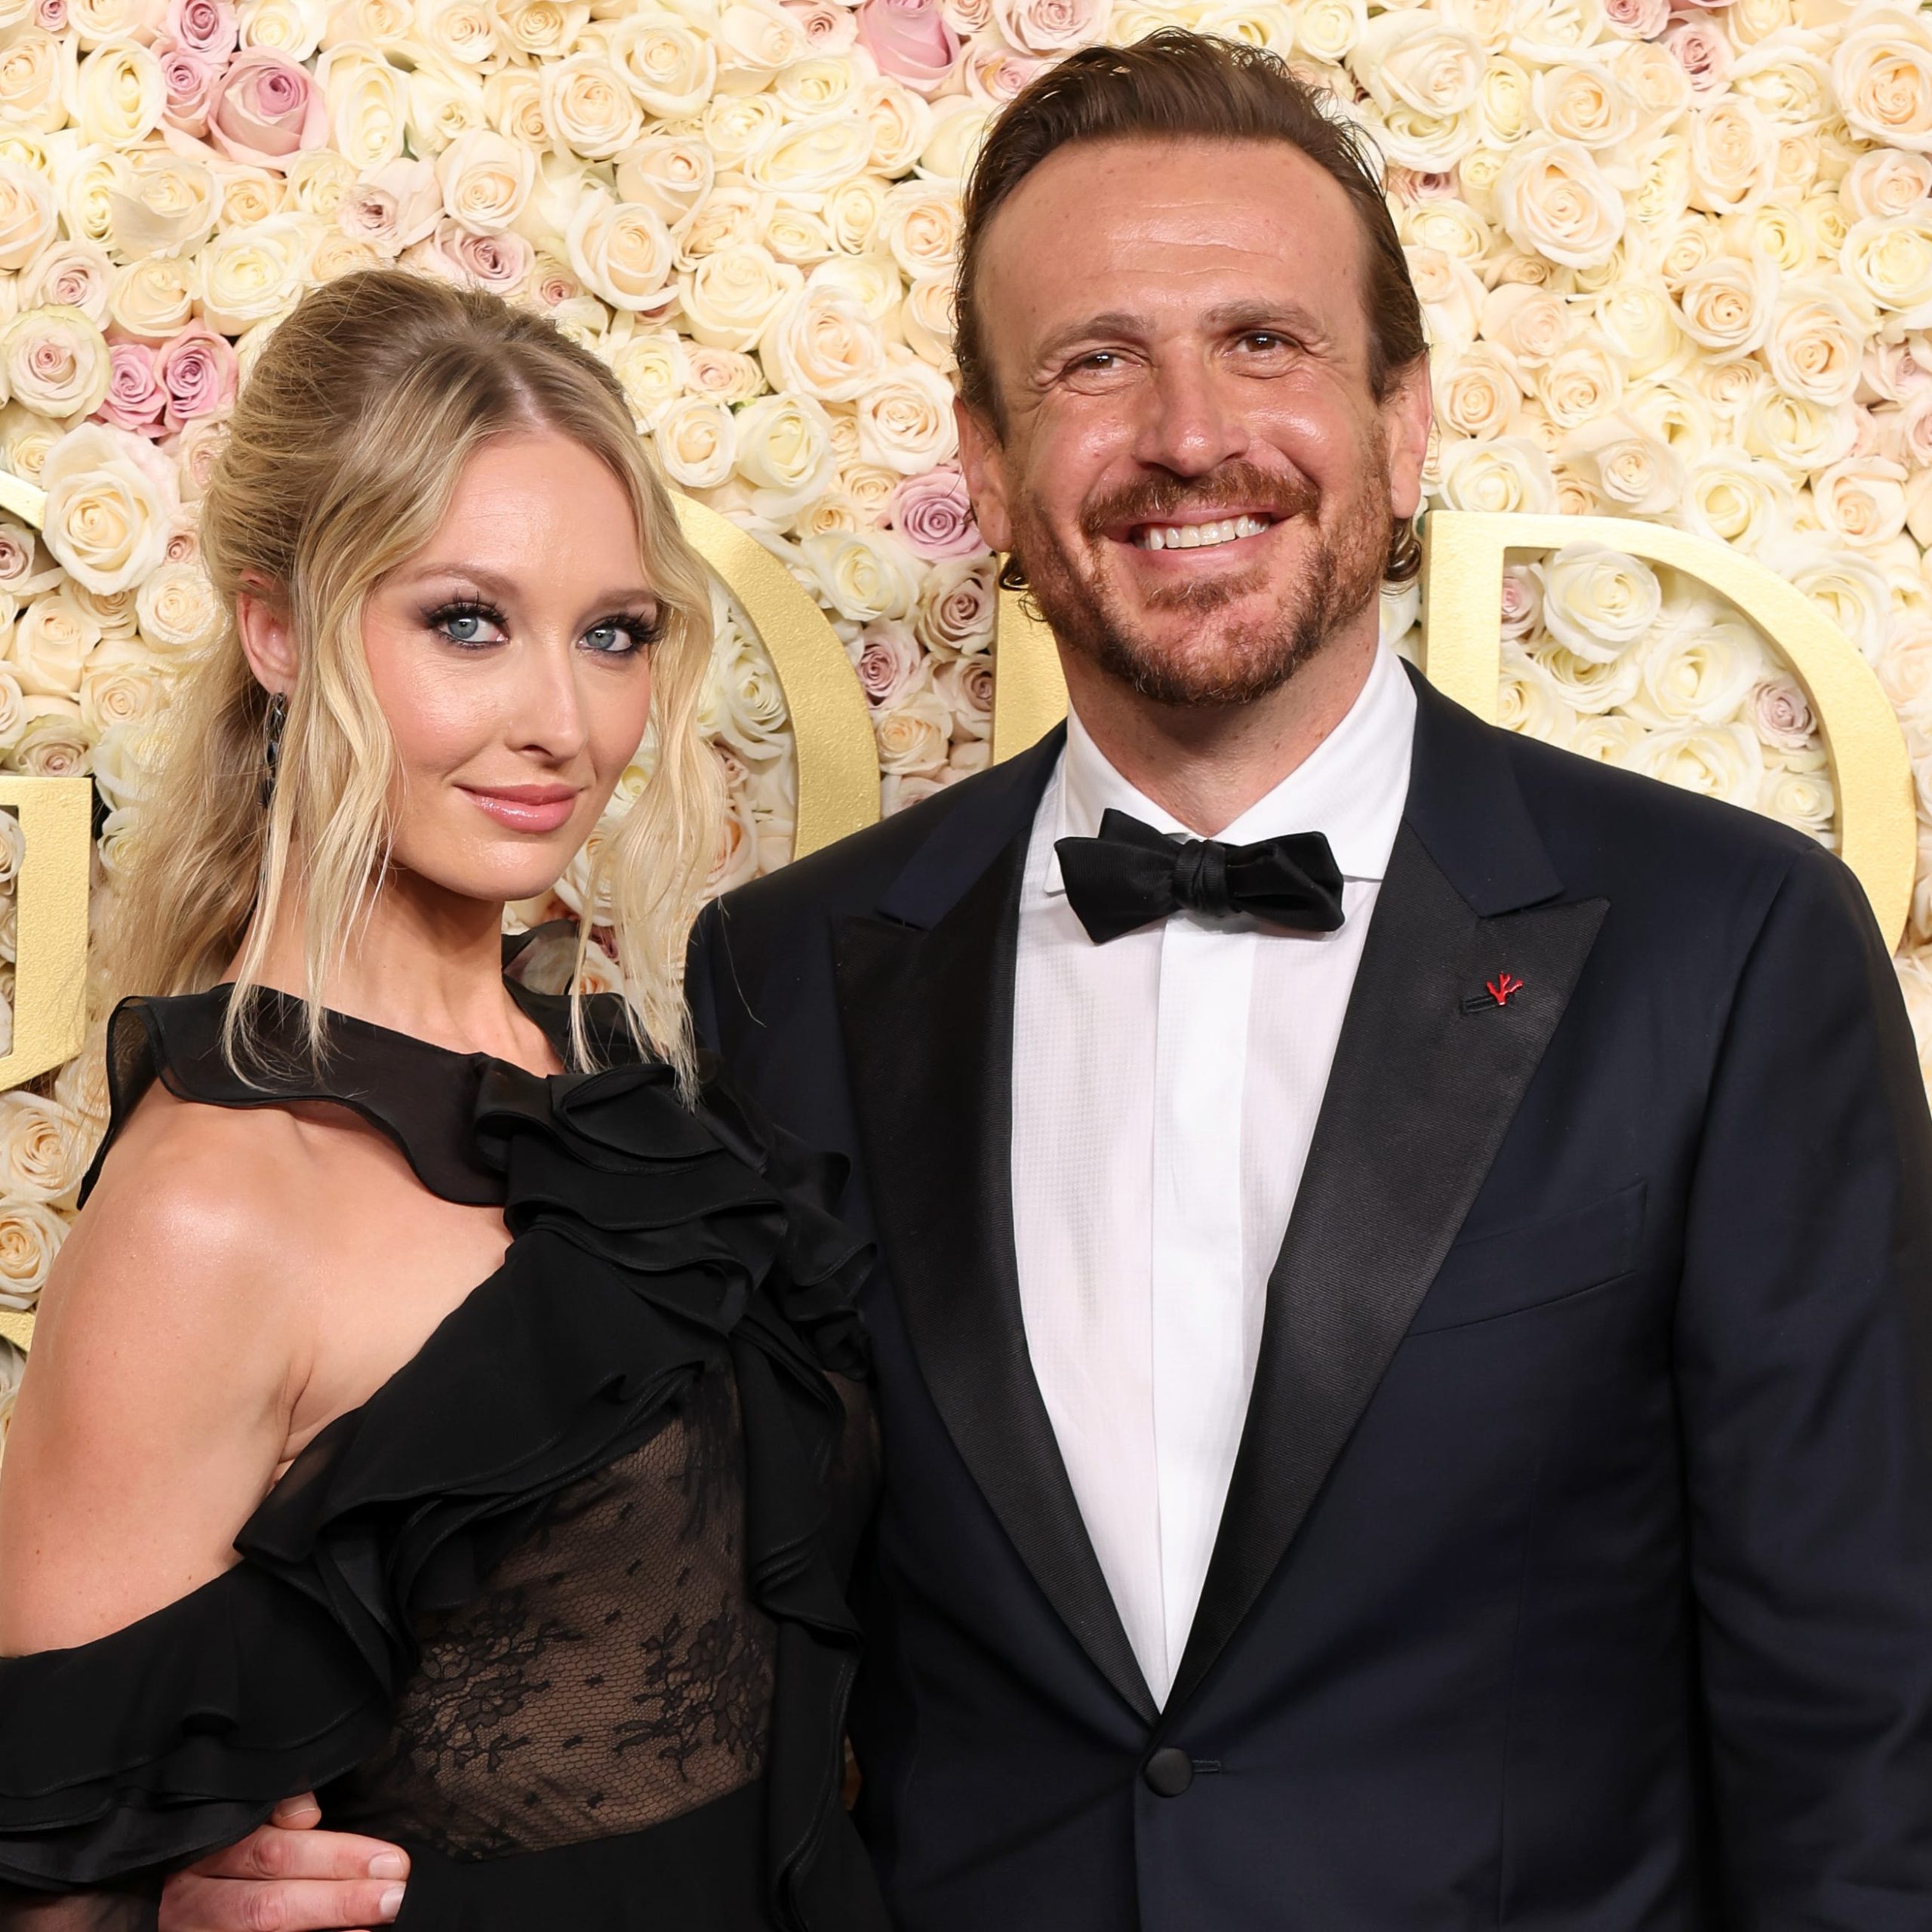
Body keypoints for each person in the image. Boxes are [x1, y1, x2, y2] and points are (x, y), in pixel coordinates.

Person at [160, 31, 1932, 1932]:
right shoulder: (790, 975)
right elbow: (658, 1597)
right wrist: (261, 1854)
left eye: (1263, 342)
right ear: (988, 463)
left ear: (1404, 421)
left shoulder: (1726, 943)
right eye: (1094, 360)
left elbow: (1857, 1724)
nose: (1184, 430)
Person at [0, 269, 888, 1932]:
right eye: (465, 619)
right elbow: (47, 1862)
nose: (562, 722)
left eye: (613, 633)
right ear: (275, 625)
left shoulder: (627, 1085)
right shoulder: (217, 1204)